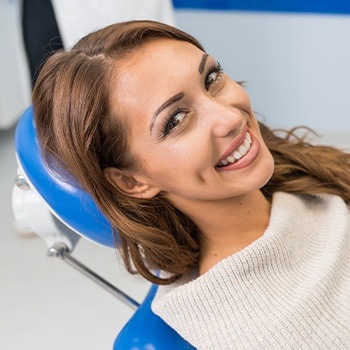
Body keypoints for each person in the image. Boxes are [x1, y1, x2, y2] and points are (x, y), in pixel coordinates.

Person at [32, 20, 350, 349]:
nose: (230, 117)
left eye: (211, 78)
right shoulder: (256, 329)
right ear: (133, 180)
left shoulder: (306, 178)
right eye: (176, 120)